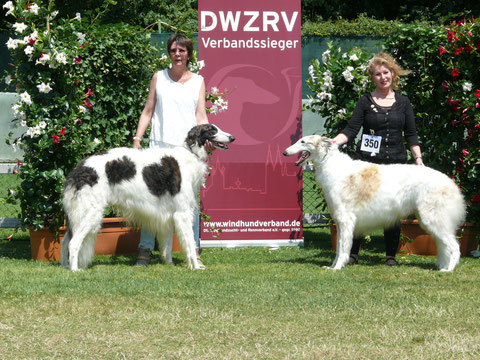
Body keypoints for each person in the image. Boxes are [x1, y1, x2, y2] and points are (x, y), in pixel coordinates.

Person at [332, 52, 424, 267]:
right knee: (359, 208)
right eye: (377, 74)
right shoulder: (365, 101)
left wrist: (417, 159)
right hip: (367, 165)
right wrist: (332, 142)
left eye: (386, 72)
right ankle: (353, 254)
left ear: (393, 74)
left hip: (395, 165)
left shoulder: (403, 102)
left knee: (393, 208)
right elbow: (351, 130)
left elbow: (411, 134)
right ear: (372, 78)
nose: (383, 77)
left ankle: (391, 255)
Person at [132, 33, 214, 267]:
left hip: (187, 153)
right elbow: (148, 110)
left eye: (182, 51)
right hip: (159, 148)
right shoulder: (159, 77)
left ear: (189, 54)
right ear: (169, 53)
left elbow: (200, 114)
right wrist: (138, 139)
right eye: (173, 51)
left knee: (189, 202)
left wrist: (205, 138)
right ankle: (145, 251)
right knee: (151, 201)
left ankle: (193, 251)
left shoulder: (198, 81)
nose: (177, 55)